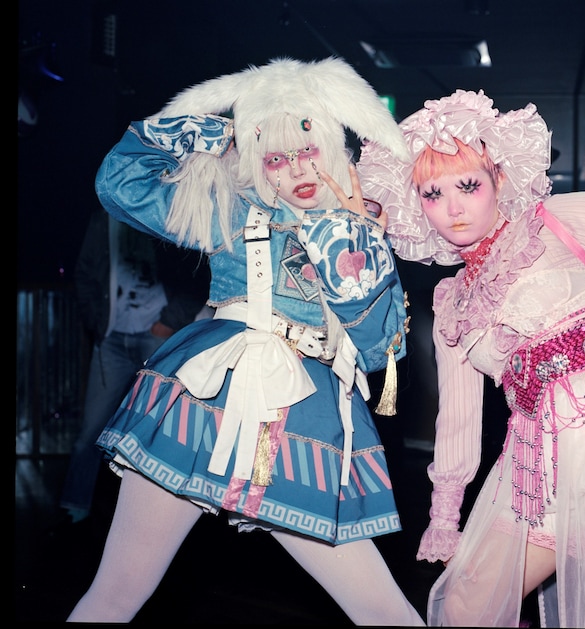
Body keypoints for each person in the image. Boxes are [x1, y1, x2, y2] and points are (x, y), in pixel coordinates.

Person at [66, 57, 424, 625]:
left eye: (307, 150)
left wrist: (354, 246)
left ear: (332, 147)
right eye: (275, 157)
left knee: (382, 610)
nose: (296, 169)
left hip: (306, 421)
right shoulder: (229, 208)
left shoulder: (362, 225)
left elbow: (383, 352)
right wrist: (214, 131)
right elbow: (118, 185)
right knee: (115, 595)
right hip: (204, 402)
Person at [358, 90, 585, 628]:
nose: (454, 208)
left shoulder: (549, 220)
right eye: (433, 193)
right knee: (465, 605)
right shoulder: (452, 303)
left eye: (468, 185)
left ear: (499, 179)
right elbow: (457, 422)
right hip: (535, 459)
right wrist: (444, 516)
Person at [59, 209, 210, 525]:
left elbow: (197, 271)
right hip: (112, 338)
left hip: (159, 337)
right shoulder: (104, 216)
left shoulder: (166, 208)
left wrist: (170, 322)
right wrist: (98, 323)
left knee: (162, 433)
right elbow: (85, 271)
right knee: (90, 431)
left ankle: (157, 522)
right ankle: (73, 512)